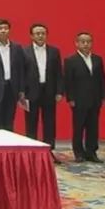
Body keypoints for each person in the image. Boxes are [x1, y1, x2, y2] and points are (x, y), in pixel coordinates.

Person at [64, 32, 105, 163]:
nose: (86, 44)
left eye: (88, 41)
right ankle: (78, 153)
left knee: (93, 127)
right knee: (79, 127)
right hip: (78, 100)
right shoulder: (70, 60)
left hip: (95, 99)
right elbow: (68, 81)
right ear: (77, 43)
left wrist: (104, 96)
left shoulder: (97, 59)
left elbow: (102, 79)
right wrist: (70, 98)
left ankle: (91, 152)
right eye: (82, 42)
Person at [23, 23, 63, 162]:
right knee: (31, 123)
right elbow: (21, 73)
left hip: (49, 91)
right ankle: (31, 151)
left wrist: (59, 91)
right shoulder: (24, 52)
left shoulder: (54, 51)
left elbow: (59, 73)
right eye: (37, 33)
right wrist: (22, 92)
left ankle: (49, 151)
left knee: (49, 122)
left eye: (43, 33)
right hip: (31, 92)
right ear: (31, 36)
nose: (40, 36)